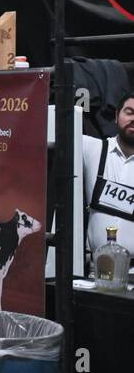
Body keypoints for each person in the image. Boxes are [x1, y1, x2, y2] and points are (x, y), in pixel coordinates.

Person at [81, 90, 134, 269]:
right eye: (129, 112)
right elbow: (46, 129)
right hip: (95, 270)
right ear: (116, 115)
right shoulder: (92, 149)